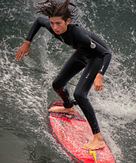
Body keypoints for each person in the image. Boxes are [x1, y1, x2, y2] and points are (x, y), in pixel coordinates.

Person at [16, 0, 112, 150]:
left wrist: (100, 74)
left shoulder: (79, 35)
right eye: (52, 23)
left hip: (96, 58)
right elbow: (39, 21)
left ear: (68, 21)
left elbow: (106, 53)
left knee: (80, 94)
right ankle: (68, 107)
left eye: (58, 24)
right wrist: (27, 41)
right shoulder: (52, 25)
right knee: (57, 84)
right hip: (82, 54)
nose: (54, 27)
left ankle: (98, 138)